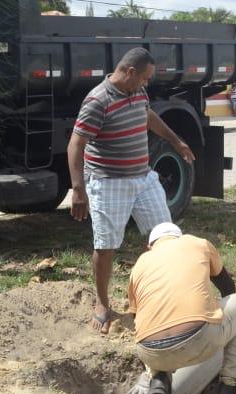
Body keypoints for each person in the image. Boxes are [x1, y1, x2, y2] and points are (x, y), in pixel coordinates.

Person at [67, 47, 195, 333]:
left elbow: (148, 117)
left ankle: (163, 296)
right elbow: (76, 145)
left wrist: (177, 141)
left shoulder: (137, 92)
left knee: (165, 237)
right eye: (145, 78)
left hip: (143, 177)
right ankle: (102, 303)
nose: (147, 84)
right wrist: (78, 190)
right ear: (129, 72)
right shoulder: (97, 100)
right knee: (106, 245)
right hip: (108, 181)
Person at [122, 223, 236, 394]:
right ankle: (228, 389)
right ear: (179, 237)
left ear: (149, 247)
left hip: (150, 354)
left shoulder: (139, 265)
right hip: (199, 339)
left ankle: (159, 378)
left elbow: (137, 318)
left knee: (151, 325)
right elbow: (228, 289)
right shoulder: (197, 243)